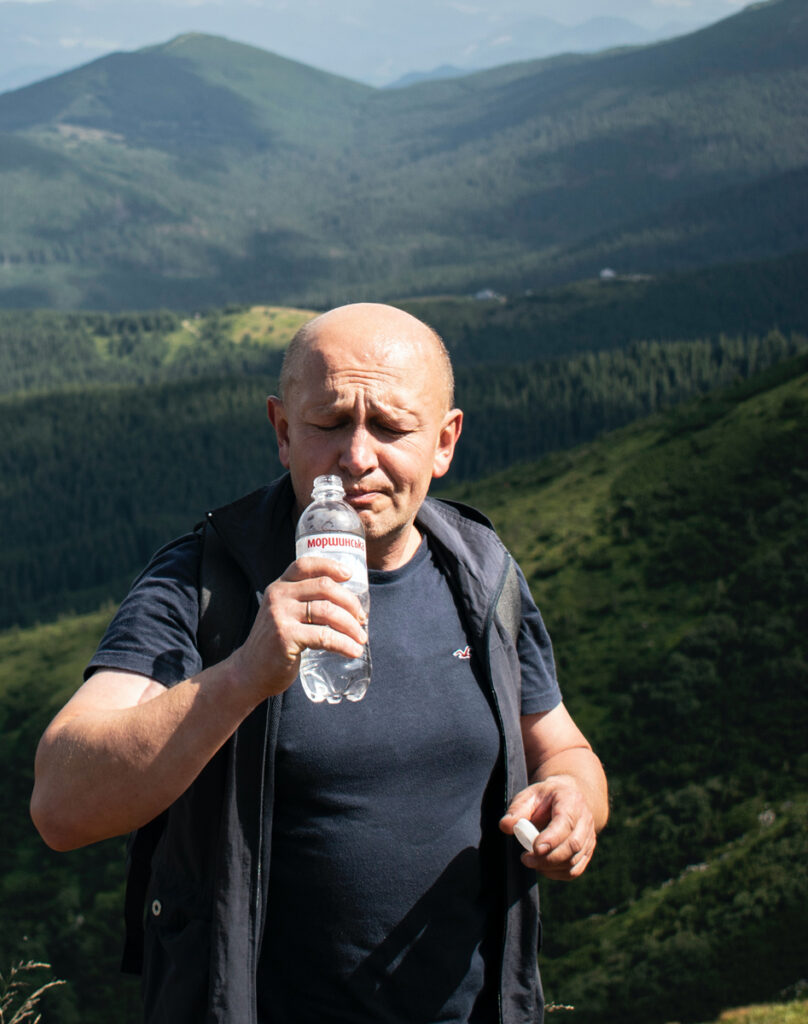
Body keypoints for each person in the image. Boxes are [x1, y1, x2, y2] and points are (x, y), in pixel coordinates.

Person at [30, 302, 609, 1024]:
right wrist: (242, 676)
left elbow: (558, 742)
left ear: (445, 441)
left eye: (393, 427)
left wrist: (576, 800)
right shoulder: (204, 582)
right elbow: (60, 804)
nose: (358, 457)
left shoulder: (484, 574)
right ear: (282, 430)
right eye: (329, 423)